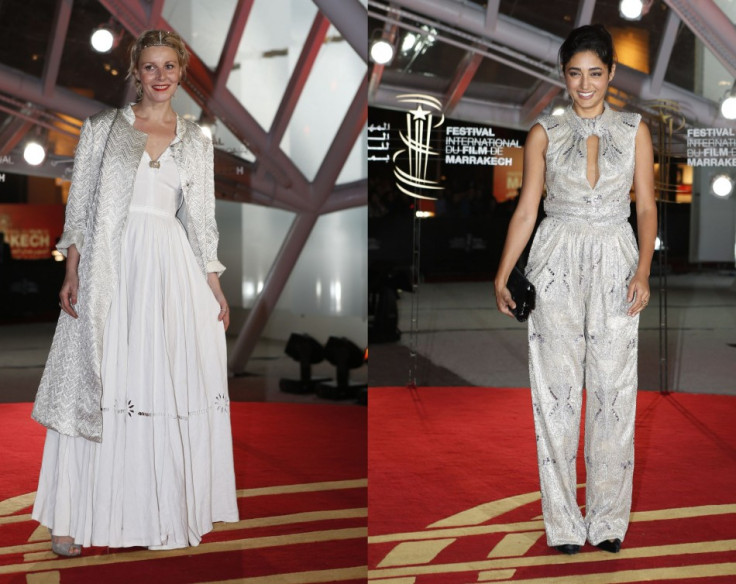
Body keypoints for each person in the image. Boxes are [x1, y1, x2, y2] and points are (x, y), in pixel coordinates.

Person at [31, 30, 239, 556]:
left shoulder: (196, 140)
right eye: (151, 67)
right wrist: (71, 271)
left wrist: (214, 286)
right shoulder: (102, 129)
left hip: (171, 273)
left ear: (181, 71)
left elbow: (202, 223)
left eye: (170, 66)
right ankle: (69, 518)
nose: (161, 76)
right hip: (110, 268)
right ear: (136, 72)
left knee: (157, 386)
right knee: (96, 386)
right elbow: (79, 208)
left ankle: (156, 516)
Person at [494, 24, 656, 555]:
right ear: (562, 76)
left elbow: (647, 208)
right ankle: (563, 524)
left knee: (614, 394)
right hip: (555, 258)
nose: (584, 84)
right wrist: (503, 272)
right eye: (574, 74)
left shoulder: (634, 129)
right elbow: (526, 209)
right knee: (556, 396)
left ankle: (608, 520)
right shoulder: (543, 130)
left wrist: (643, 271)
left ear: (610, 74)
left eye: (594, 73)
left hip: (615, 256)